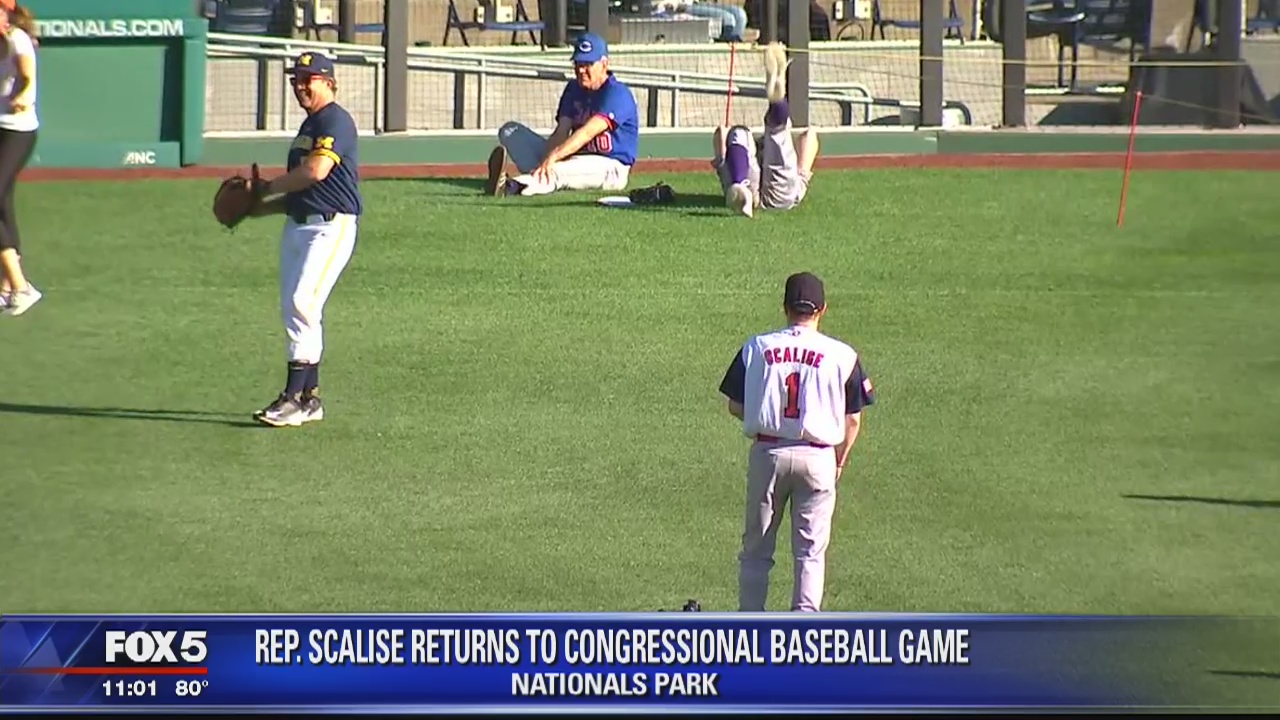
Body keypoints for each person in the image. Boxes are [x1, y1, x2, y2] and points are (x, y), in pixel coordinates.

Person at [717, 272, 875, 612]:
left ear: (785, 307)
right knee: (810, 553)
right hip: (819, 457)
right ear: (822, 309)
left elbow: (734, 403)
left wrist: (763, 415)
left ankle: (749, 629)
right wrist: (840, 461)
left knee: (756, 552)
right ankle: (802, 633)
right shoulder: (842, 355)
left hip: (768, 452)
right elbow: (853, 418)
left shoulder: (758, 347)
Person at [246, 52, 362, 427]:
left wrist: (265, 187)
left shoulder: (335, 120)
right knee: (296, 308)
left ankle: (294, 397)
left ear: (328, 81)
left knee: (302, 303)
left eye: (306, 79)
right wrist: (256, 207)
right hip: (298, 225)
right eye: (295, 78)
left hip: (330, 227)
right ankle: (309, 399)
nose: (299, 85)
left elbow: (316, 171)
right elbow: (300, 192)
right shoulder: (309, 126)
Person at [484, 32, 639, 198]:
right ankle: (537, 177)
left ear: (604, 64)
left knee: (560, 170)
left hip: (610, 167)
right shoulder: (574, 89)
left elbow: (587, 133)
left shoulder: (617, 93)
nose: (581, 70)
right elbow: (561, 132)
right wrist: (545, 160)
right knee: (509, 131)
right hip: (575, 158)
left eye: (588, 64)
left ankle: (512, 186)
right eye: (578, 64)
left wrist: (554, 158)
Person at [710, 42, 819, 218]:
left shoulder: (747, 150)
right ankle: (778, 99)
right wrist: (803, 170)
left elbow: (721, 133)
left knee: (739, 132)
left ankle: (740, 184)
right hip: (783, 197)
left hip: (746, 183)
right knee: (778, 134)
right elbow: (809, 136)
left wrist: (725, 158)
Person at [0, 0, 39, 316]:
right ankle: (6, 288)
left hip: (17, 131)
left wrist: (24, 94)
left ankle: (21, 287)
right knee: (3, 202)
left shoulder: (17, 38)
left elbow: (27, 74)